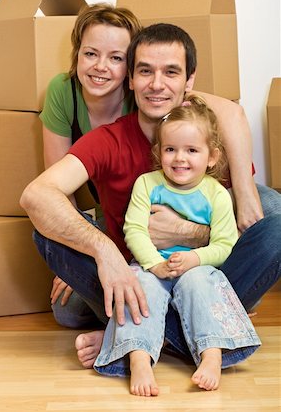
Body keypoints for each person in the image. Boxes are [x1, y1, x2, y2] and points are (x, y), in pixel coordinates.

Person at [20, 23, 281, 371]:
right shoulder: (109, 140)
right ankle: (191, 334)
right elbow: (35, 195)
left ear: (189, 82)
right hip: (134, 281)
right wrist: (105, 252)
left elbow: (235, 229)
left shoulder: (205, 136)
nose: (156, 85)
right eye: (145, 71)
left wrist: (187, 232)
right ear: (130, 79)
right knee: (46, 233)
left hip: (202, 277)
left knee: (275, 219)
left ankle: (140, 337)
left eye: (170, 72)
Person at [93, 96, 261, 395]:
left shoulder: (216, 194)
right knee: (138, 286)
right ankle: (139, 359)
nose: (180, 158)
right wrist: (152, 263)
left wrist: (194, 259)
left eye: (192, 150)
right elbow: (134, 229)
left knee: (202, 283)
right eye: (171, 149)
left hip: (195, 268)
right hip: (154, 267)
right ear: (158, 152)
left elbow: (225, 244)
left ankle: (210, 355)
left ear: (211, 156)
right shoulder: (147, 184)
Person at [39, 3, 142, 328]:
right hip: (100, 220)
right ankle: (139, 321)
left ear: (131, 66)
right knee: (67, 312)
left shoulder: (142, 96)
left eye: (116, 58)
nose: (101, 67)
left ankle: (129, 328)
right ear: (77, 54)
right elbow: (59, 192)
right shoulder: (62, 91)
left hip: (141, 220)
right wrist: (77, 258)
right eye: (91, 54)